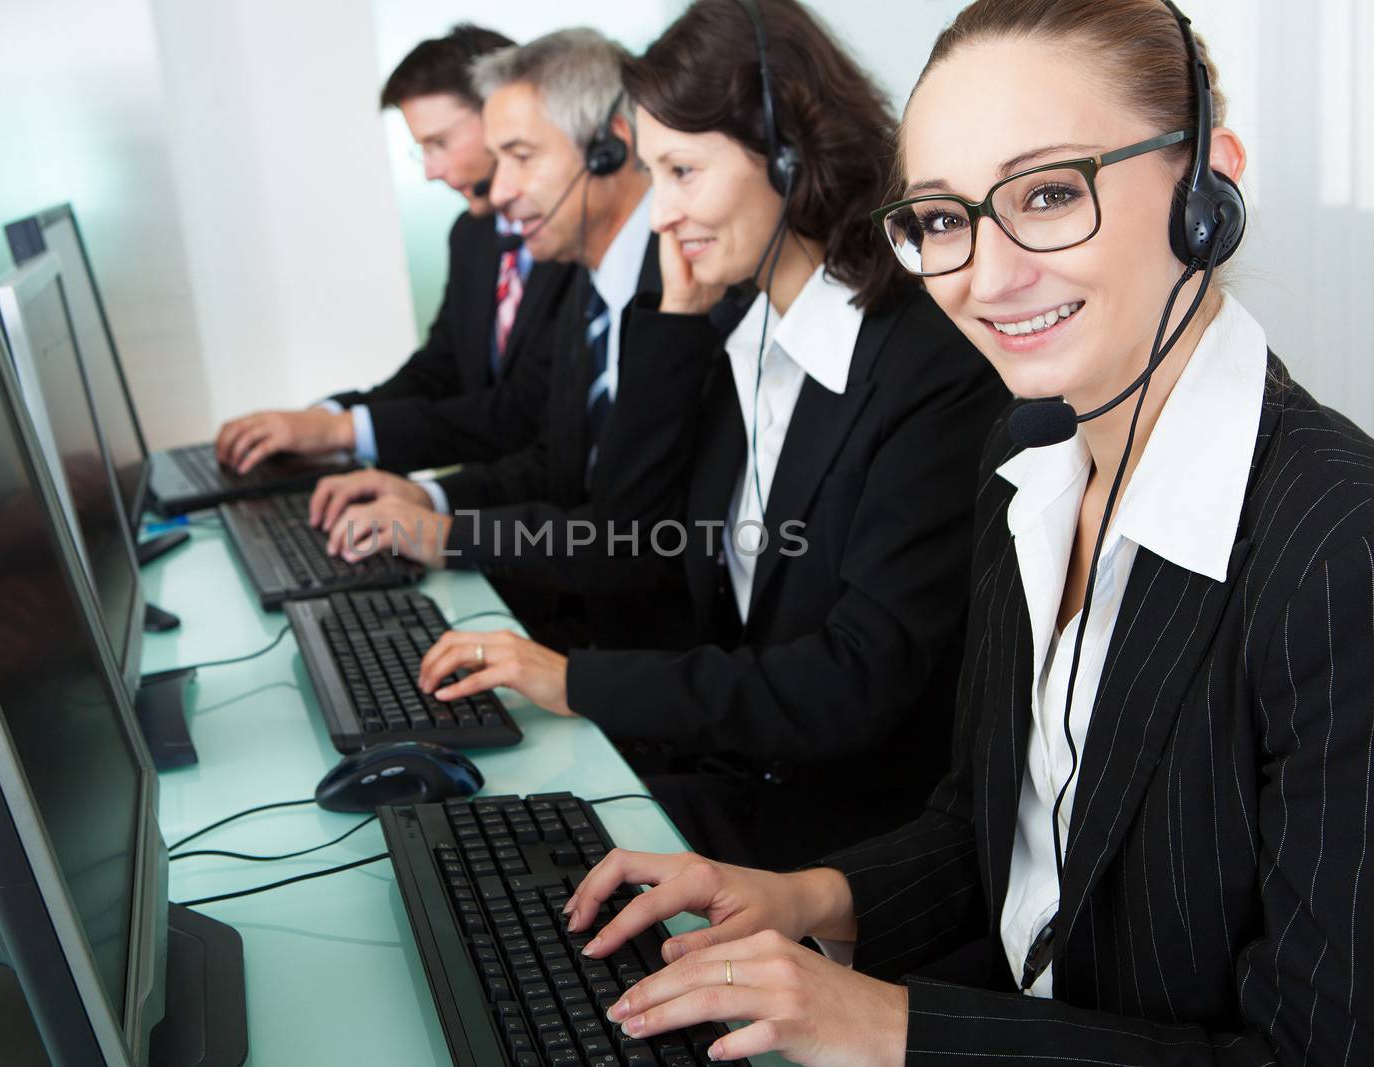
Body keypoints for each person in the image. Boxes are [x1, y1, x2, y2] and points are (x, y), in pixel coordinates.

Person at [553, 1, 1374, 1063]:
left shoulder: (1338, 554)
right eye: (940, 219)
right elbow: (994, 836)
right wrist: (803, 894)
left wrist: (891, 1022)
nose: (984, 277)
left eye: (1046, 194)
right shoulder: (1026, 469)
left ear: (1207, 183)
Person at [409, 0, 1008, 870]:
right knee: (465, 840)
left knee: (503, 865)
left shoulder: (928, 367)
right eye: (655, 176)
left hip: (846, 842)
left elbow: (850, 681)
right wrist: (678, 321)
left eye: (683, 172)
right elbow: (632, 541)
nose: (659, 214)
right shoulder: (746, 327)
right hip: (739, 782)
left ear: (790, 154)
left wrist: (571, 679)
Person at [309, 29, 690, 652]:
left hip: (649, 649)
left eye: (520, 155)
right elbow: (553, 462)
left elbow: (643, 540)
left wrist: (448, 534)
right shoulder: (591, 290)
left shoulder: (683, 298)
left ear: (607, 150)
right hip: (592, 623)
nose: (501, 189)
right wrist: (428, 501)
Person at [213, 24, 578, 475]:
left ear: (501, 116)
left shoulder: (572, 239)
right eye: (421, 150)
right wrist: (325, 418)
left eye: (439, 143)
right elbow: (440, 370)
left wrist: (345, 432)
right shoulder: (472, 236)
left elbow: (523, 411)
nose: (430, 171)